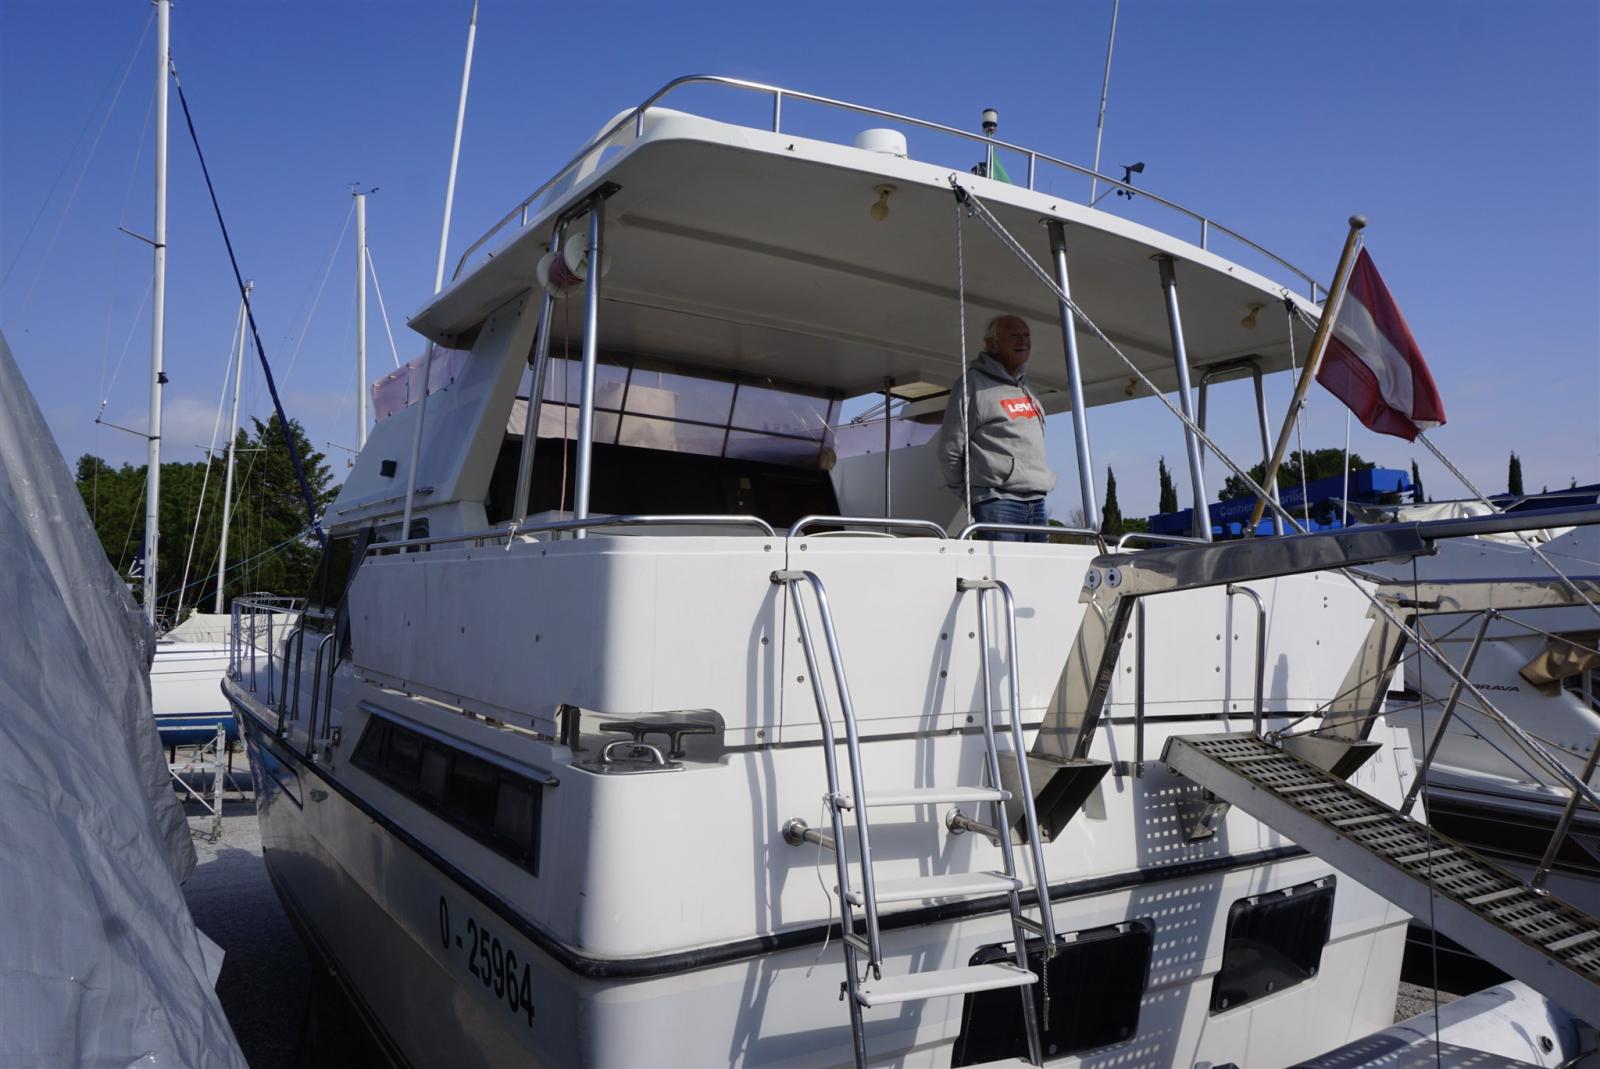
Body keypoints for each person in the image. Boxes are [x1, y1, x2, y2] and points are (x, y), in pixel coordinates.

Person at [937, 314, 1056, 542]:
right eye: (1014, 336)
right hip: (997, 502)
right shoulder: (972, 384)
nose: (1023, 341)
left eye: (1026, 335)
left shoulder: (1026, 386)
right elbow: (949, 450)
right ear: (992, 344)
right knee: (1004, 566)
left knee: (1036, 566)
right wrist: (970, 496)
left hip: (1037, 500)